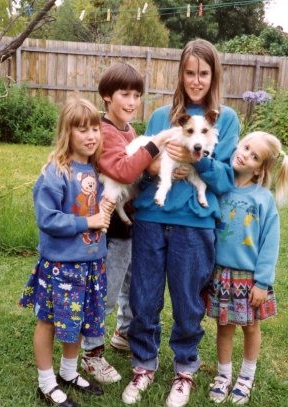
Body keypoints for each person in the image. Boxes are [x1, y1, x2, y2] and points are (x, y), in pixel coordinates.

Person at [121, 39, 240, 407]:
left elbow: (225, 181)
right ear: (181, 74)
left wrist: (200, 161)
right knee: (144, 296)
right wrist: (153, 166)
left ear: (213, 75)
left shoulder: (226, 120)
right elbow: (140, 166)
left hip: (195, 222)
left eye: (203, 73)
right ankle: (144, 363)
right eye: (189, 72)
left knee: (189, 301)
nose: (196, 80)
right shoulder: (161, 116)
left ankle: (184, 369)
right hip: (152, 217)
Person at [81, 62, 177, 385]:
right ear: (107, 96)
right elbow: (123, 171)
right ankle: (90, 352)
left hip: (128, 221)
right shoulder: (104, 131)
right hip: (107, 229)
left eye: (137, 95)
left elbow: (135, 174)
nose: (132, 101)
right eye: (125, 94)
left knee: (129, 284)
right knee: (104, 293)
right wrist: (154, 146)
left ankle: (123, 333)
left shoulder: (128, 131)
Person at [18, 98, 115, 407]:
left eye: (95, 129)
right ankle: (46, 383)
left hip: (91, 265)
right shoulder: (55, 172)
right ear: (66, 133)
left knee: (80, 320)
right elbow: (46, 219)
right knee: (49, 321)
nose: (91, 136)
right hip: (61, 267)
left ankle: (68, 372)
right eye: (81, 129)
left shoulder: (99, 170)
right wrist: (89, 220)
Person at [206, 131, 288, 404]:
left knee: (251, 327)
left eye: (254, 156)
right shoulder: (219, 188)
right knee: (224, 327)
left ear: (259, 170)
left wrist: (262, 282)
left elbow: (270, 243)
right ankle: (223, 375)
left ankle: (246, 375)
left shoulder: (262, 199)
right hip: (221, 274)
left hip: (249, 278)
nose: (244, 154)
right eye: (245, 147)